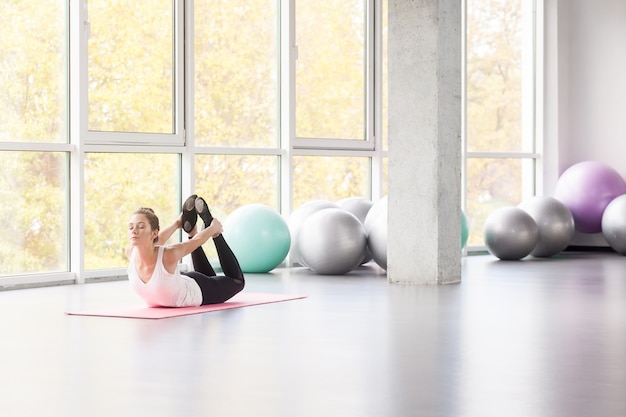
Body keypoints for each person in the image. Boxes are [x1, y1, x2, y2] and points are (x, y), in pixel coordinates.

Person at [126, 195, 245, 307]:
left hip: (197, 290)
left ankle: (216, 235)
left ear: (154, 233)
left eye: (140, 226)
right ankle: (193, 232)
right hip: (177, 282)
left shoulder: (168, 255)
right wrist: (177, 224)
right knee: (210, 278)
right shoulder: (131, 252)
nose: (134, 231)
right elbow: (158, 239)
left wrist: (213, 228)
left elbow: (196, 241)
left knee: (237, 282)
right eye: (131, 227)